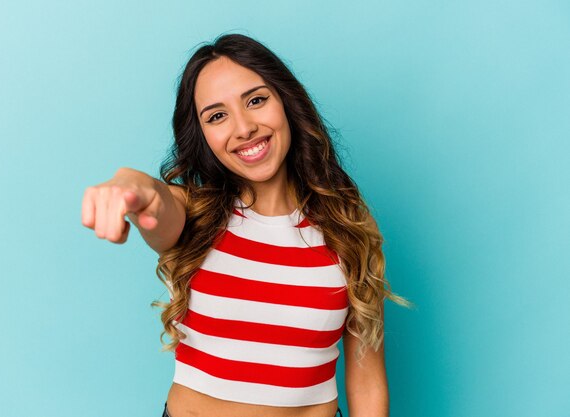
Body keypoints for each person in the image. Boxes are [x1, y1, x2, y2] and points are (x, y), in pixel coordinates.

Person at [81, 33, 409, 417]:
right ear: (202, 134)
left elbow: (367, 380)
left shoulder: (347, 223)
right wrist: (132, 184)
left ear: (285, 101)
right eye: (217, 116)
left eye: (256, 100)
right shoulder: (194, 215)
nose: (243, 128)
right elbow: (157, 201)